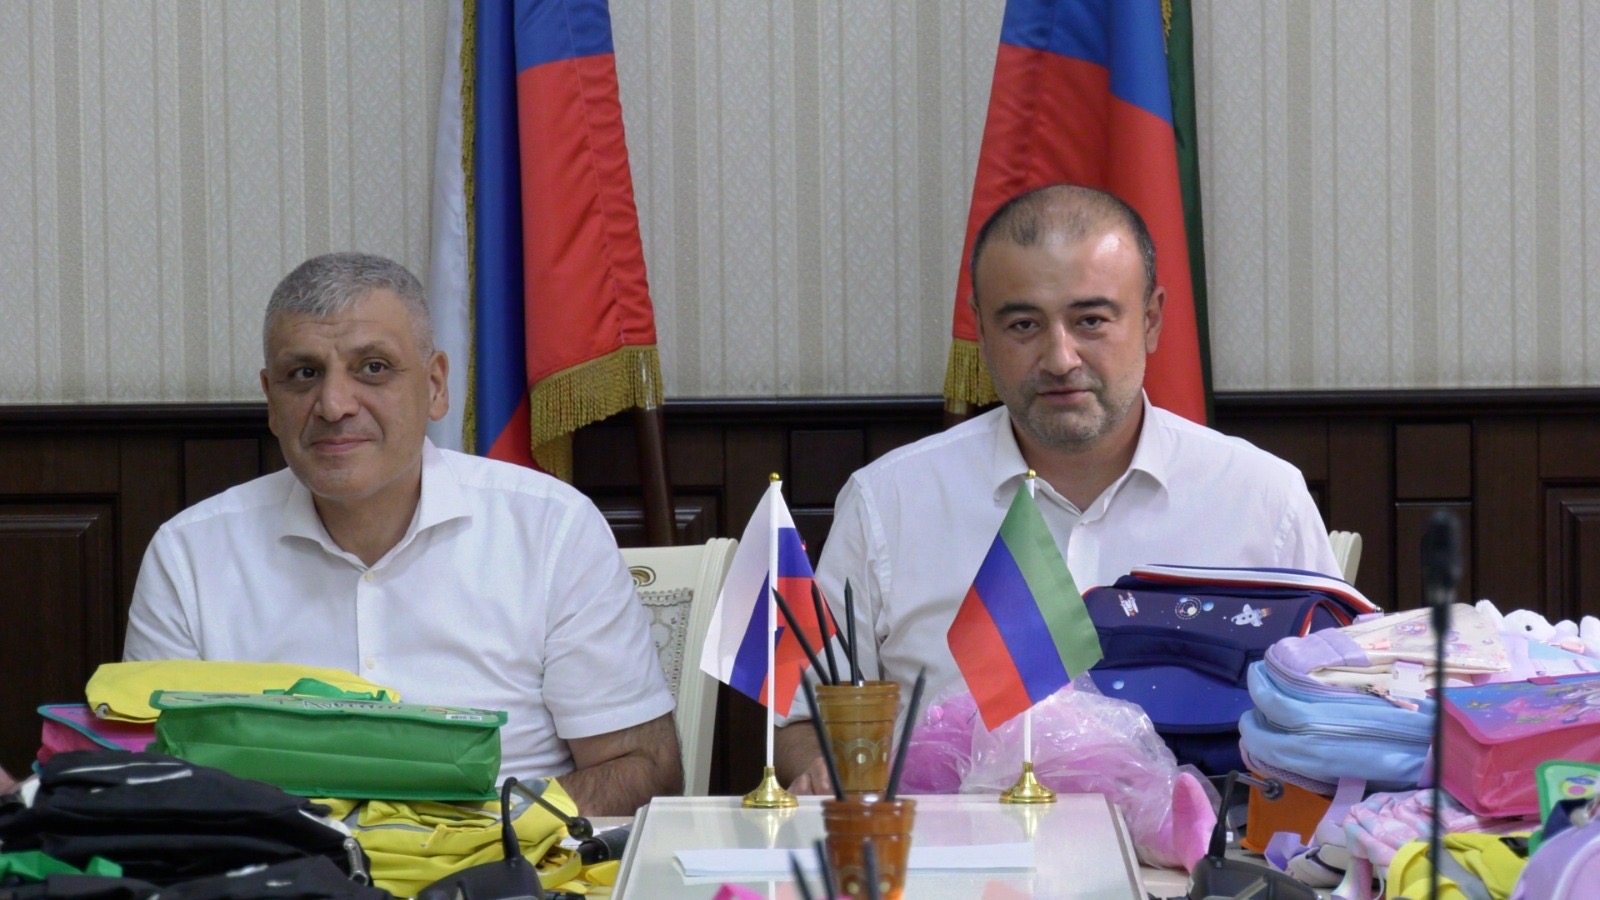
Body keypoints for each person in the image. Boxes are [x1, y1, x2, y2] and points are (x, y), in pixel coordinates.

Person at [776, 184, 1340, 792]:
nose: (1060, 358)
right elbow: (802, 718)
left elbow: (1338, 716)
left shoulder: (1262, 499)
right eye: (1024, 325)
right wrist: (829, 777)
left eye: (1091, 320)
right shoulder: (889, 503)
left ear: (1151, 320)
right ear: (981, 330)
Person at [124, 252, 682, 815]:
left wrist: (472, 843)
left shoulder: (551, 529)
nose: (334, 405)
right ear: (272, 400)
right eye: (304, 374)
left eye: (373, 368)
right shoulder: (189, 554)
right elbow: (148, 783)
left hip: (505, 856)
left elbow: (643, 768)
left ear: (435, 386)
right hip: (277, 859)